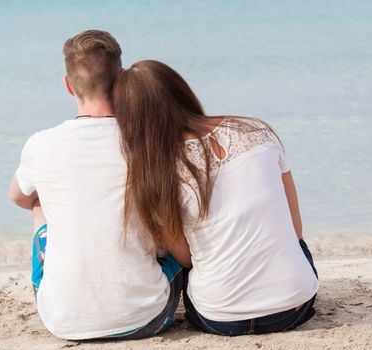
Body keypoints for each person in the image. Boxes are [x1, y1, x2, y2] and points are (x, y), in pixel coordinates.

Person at [112, 60, 319, 336]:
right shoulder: (256, 131)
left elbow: (186, 260)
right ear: (182, 91)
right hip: (295, 306)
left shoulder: (157, 174)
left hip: (220, 318)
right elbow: (295, 229)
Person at [8, 32, 189, 340]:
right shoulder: (143, 142)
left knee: (39, 199)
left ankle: (78, 294)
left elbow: (18, 198)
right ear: (121, 78)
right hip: (148, 317)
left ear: (68, 84)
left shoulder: (41, 144)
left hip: (63, 321)